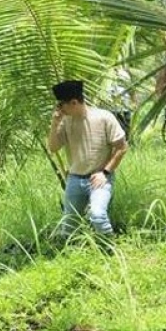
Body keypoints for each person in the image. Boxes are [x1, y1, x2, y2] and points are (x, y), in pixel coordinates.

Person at [47, 79, 129, 238]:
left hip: (99, 178)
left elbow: (122, 147)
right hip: (75, 179)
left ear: (74, 102)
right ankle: (70, 255)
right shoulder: (64, 121)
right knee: (68, 228)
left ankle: (109, 249)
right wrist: (54, 124)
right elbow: (53, 147)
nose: (59, 109)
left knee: (97, 216)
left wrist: (105, 172)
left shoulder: (104, 117)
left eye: (61, 105)